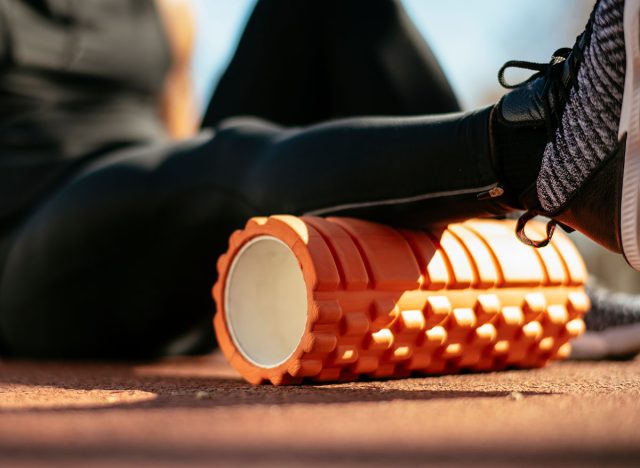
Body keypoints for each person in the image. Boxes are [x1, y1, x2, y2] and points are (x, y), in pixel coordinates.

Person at [0, 0, 638, 359]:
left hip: (155, 225)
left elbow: (174, 135)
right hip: (37, 268)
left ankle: (521, 280)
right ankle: (540, 148)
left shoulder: (163, 12)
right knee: (220, 162)